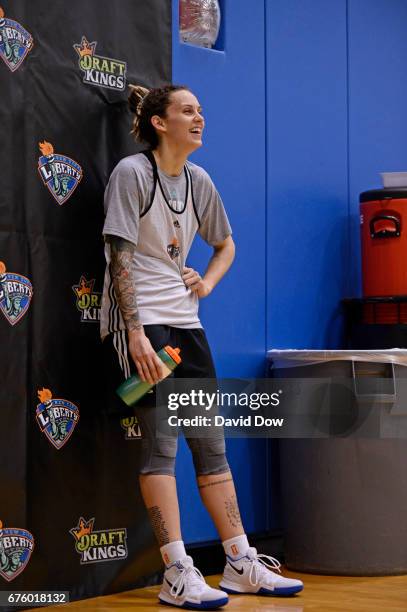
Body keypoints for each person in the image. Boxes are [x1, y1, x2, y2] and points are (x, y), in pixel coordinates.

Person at [100, 83, 303, 609]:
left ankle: (239, 561)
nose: (200, 118)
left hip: (188, 329)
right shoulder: (132, 174)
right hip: (146, 330)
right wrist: (135, 333)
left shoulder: (200, 180)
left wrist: (207, 282)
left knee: (213, 448)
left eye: (202, 111)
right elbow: (118, 257)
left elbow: (225, 242)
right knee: (161, 448)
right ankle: (175, 570)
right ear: (160, 122)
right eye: (188, 111)